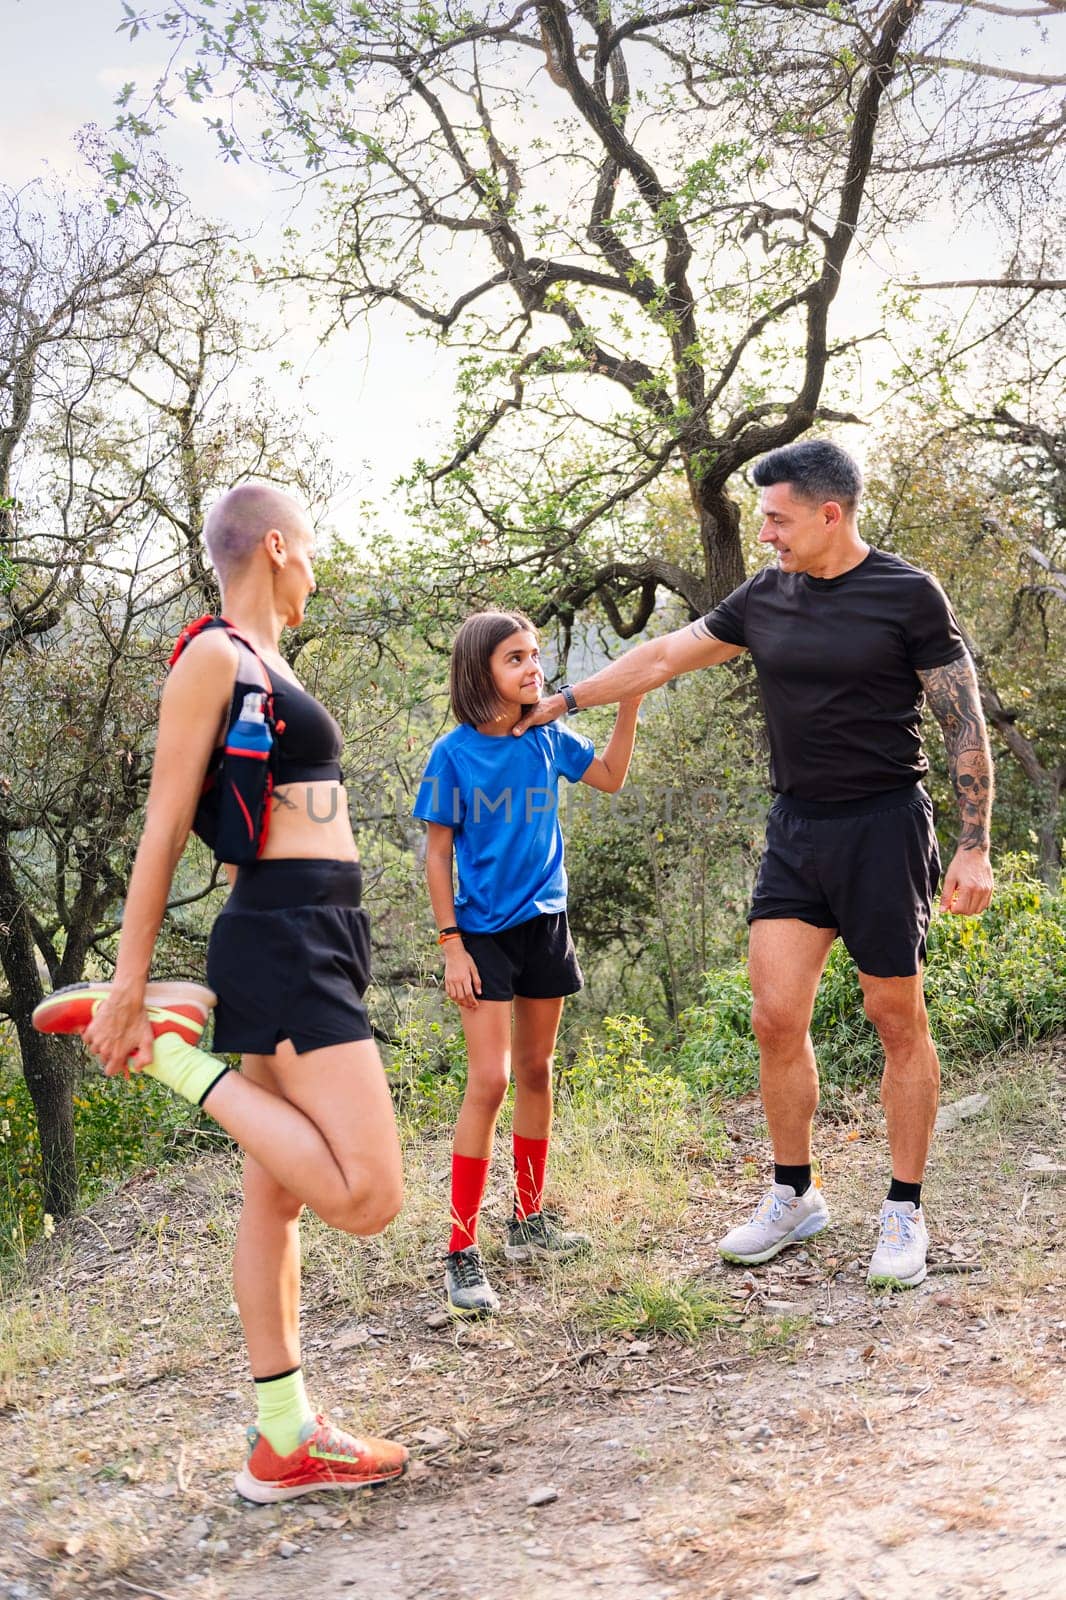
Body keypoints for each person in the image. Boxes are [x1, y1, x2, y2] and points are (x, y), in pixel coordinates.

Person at [513, 441, 994, 1291]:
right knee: (775, 1015)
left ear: (827, 515)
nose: (764, 532)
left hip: (883, 827)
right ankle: (794, 1193)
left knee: (894, 1018)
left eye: (775, 517)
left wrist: (974, 841)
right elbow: (662, 657)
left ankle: (904, 1207)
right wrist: (561, 703)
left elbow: (962, 722)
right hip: (796, 828)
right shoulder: (764, 595)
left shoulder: (906, 594)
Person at [33, 484, 410, 1500]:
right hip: (286, 935)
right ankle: (169, 1049)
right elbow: (162, 825)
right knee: (368, 1194)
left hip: (313, 929)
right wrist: (124, 990)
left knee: (276, 1195)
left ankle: (284, 1435)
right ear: (277, 548)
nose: (319, 570)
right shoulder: (212, 655)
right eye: (313, 551)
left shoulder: (268, 663)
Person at [413, 610, 643, 1316]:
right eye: (516, 658)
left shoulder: (545, 734)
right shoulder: (452, 754)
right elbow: (437, 853)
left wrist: (627, 703)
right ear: (481, 672)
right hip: (480, 934)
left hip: (547, 924)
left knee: (538, 1070)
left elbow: (607, 776)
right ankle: (460, 1248)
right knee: (490, 1080)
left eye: (535, 656)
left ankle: (529, 1222)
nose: (532, 668)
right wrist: (450, 943)